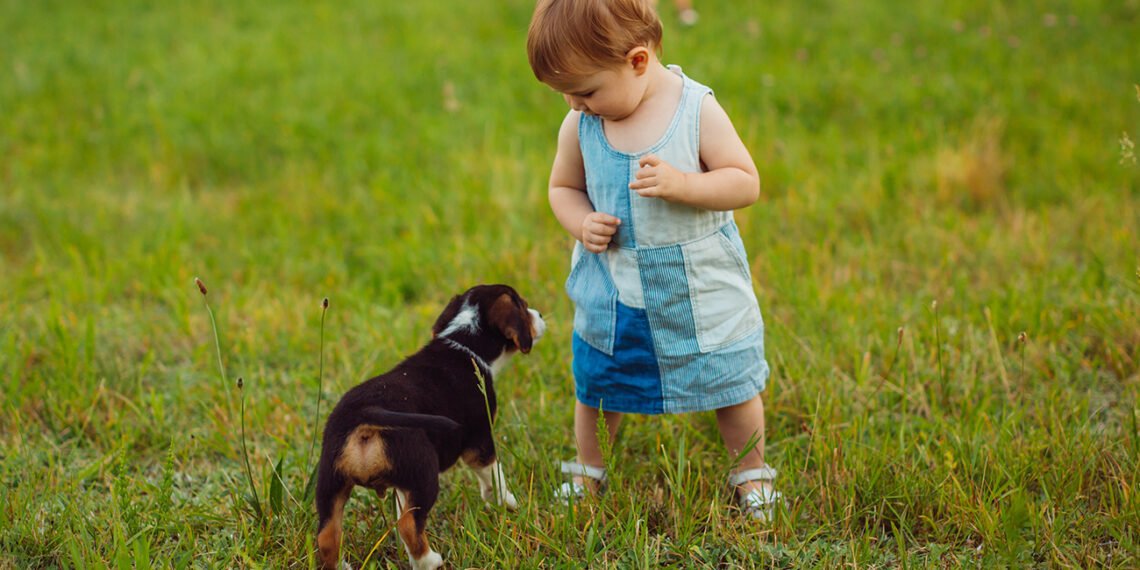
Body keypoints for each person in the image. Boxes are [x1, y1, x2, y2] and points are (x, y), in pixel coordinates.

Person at [526, 0, 781, 520]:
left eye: (586, 90)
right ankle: (588, 467)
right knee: (599, 383)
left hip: (699, 291)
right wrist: (580, 222)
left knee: (730, 382)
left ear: (638, 60)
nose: (576, 104)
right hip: (616, 290)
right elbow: (562, 187)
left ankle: (751, 473)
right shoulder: (579, 124)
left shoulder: (695, 109)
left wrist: (685, 184)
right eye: (565, 94)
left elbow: (745, 181)